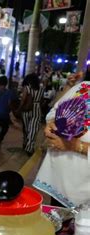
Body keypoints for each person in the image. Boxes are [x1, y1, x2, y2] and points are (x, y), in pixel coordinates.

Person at [33, 72, 89, 208]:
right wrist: (52, 123)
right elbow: (55, 111)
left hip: (84, 190)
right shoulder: (84, 87)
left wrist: (76, 146)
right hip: (60, 182)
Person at [19, 73, 44, 156]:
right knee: (33, 129)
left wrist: (18, 109)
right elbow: (41, 101)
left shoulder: (27, 88)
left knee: (27, 129)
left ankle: (27, 144)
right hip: (37, 110)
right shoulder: (41, 88)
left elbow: (23, 100)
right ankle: (29, 147)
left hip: (26, 110)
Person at [0, 75, 15, 148]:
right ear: (6, 83)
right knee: (5, 127)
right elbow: (10, 104)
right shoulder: (9, 92)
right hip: (4, 113)